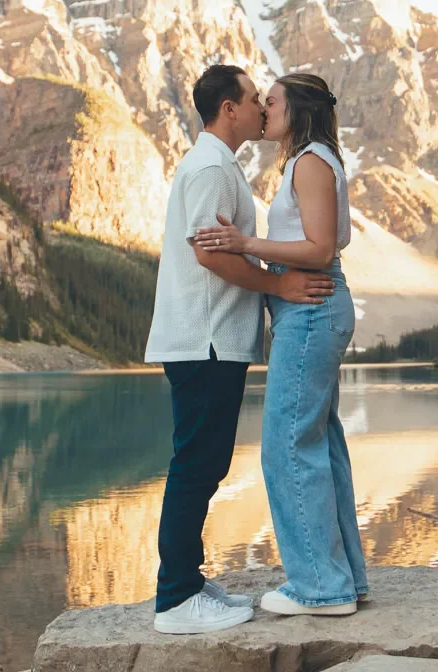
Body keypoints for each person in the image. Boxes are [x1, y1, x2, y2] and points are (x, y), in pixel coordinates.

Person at [145, 64, 337, 635]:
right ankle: (175, 599)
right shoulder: (209, 167)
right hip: (203, 340)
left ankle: (187, 582)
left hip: (212, 340)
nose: (260, 108)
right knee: (195, 467)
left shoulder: (217, 163)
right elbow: (209, 252)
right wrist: (279, 285)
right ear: (229, 108)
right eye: (254, 99)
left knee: (202, 464)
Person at [192, 72, 367, 617]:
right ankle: (344, 581)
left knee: (287, 448)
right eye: (260, 103)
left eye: (272, 102)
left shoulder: (312, 159)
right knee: (319, 444)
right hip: (308, 310)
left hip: (310, 308)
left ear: (299, 110)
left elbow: (317, 248)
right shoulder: (310, 158)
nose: (264, 111)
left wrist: (245, 243)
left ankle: (319, 589)